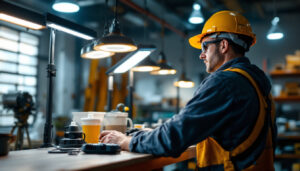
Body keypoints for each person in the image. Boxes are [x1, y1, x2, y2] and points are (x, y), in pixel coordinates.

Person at [100, 10, 277, 171]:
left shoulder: (225, 82)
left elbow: (174, 139)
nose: (202, 55)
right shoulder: (255, 81)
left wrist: (126, 141)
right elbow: (206, 130)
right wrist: (153, 134)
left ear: (223, 45)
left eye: (205, 47)